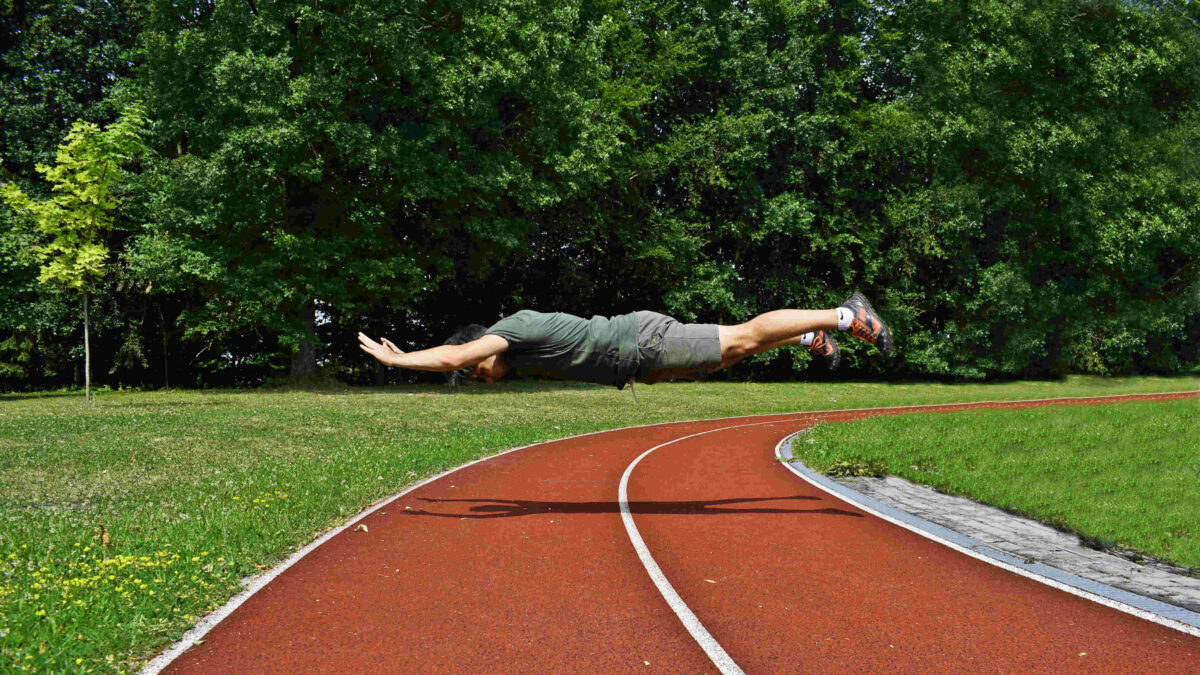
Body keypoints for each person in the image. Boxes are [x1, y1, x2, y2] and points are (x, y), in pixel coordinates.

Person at [357, 291, 891, 388]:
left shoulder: (508, 332)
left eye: (479, 371)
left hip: (641, 341)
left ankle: (846, 316)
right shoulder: (517, 348)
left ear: (486, 348)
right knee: (728, 359)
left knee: (742, 337)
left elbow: (453, 354)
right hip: (637, 362)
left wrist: (400, 359)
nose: (485, 377)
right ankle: (808, 339)